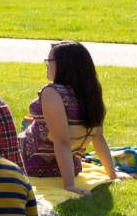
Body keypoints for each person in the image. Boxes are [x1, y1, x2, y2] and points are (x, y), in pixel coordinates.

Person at [20, 40, 115, 196]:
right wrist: (113, 175)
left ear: (64, 65)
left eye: (49, 61)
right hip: (72, 166)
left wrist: (69, 186)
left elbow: (61, 140)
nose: (46, 64)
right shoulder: (90, 92)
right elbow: (98, 137)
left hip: (28, 162)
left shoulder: (52, 92)